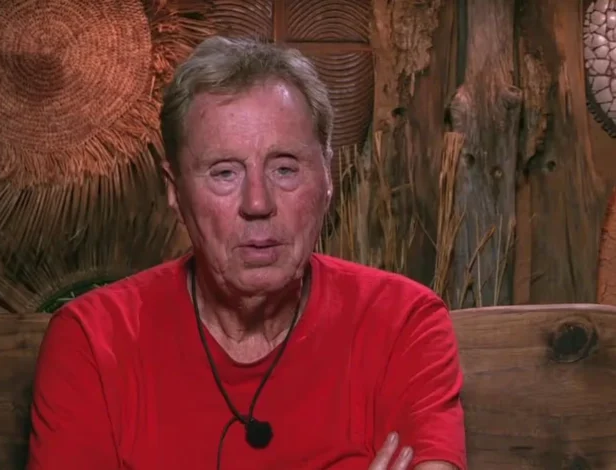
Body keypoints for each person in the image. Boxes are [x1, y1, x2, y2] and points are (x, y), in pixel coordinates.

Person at [26, 36, 466, 470]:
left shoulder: (403, 323)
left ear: (327, 178)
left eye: (285, 168)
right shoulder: (92, 342)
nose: (258, 202)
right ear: (175, 190)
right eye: (224, 173)